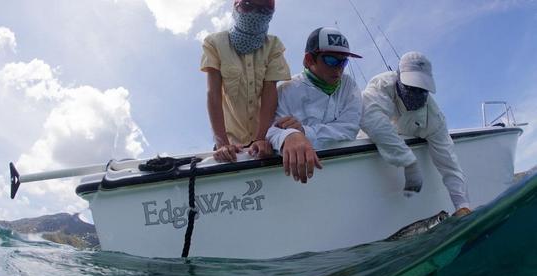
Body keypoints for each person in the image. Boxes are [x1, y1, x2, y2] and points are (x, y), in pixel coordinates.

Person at [360, 51, 471, 217]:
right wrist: (409, 162)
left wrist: (462, 205)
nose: (417, 94)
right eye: (411, 87)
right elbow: (372, 118)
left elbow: (449, 164)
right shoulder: (381, 86)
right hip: (366, 153)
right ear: (398, 77)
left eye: (422, 90)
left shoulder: (434, 118)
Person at [266, 27, 363, 183]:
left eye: (343, 61)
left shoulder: (348, 85)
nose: (338, 68)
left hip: (344, 174)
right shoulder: (285, 90)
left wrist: (303, 131)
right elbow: (270, 130)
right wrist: (288, 136)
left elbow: (350, 127)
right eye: (331, 60)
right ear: (309, 60)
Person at [200, 0, 291, 162]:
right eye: (248, 5)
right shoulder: (214, 43)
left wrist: (261, 138)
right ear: (236, 6)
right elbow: (213, 95)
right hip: (230, 145)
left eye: (265, 9)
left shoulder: (274, 46)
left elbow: (269, 93)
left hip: (266, 143)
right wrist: (222, 143)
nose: (255, 14)